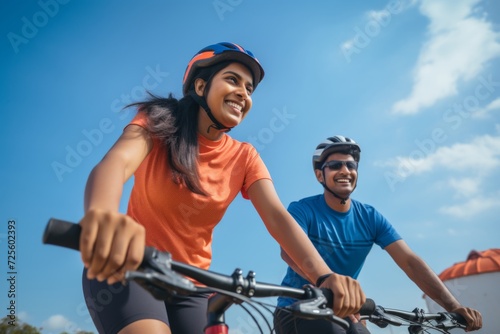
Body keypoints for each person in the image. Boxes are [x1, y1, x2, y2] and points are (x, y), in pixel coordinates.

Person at [77, 43, 366, 334]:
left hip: (193, 286)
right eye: (232, 80)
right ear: (201, 86)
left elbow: (277, 217)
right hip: (129, 266)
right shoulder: (158, 121)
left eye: (250, 88)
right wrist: (102, 215)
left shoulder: (244, 156)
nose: (244, 93)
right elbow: (116, 163)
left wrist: (324, 277)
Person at [273, 135, 483, 333]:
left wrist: (454, 307)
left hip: (347, 312)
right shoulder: (302, 210)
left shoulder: (370, 217)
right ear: (320, 175)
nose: (345, 170)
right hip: (298, 308)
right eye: (335, 165)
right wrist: (326, 283)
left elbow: (409, 261)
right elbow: (289, 252)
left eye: (351, 165)